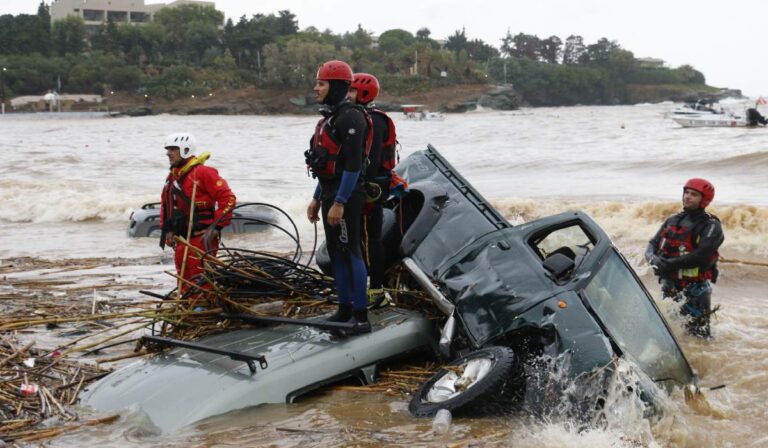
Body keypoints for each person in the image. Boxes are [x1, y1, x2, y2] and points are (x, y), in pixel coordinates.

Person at [305, 60, 373, 331]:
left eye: (321, 83)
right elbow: (326, 167)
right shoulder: (329, 119)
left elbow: (353, 166)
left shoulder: (351, 117)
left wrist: (340, 203)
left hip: (348, 196)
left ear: (335, 86)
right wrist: (317, 198)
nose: (316, 88)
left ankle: (361, 314)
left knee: (351, 251)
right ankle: (344, 309)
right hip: (331, 194)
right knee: (336, 252)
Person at [159, 133, 236, 303]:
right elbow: (166, 206)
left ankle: (203, 308)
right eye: (168, 149)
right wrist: (167, 231)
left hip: (201, 238)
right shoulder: (172, 177)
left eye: (173, 149)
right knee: (183, 278)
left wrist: (216, 226)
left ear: (186, 150)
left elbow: (228, 199)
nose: (168, 153)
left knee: (201, 279)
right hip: (182, 239)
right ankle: (187, 305)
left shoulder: (203, 173)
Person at [645, 178, 724, 338]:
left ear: (704, 200)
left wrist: (668, 264)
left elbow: (701, 256)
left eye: (694, 194)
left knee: (699, 338)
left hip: (696, 290)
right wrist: (653, 259)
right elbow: (652, 244)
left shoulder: (711, 225)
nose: (687, 196)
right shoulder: (673, 220)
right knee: (670, 334)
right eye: (686, 192)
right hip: (669, 286)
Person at [348, 72, 398, 308]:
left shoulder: (374, 120)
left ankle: (376, 291)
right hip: (369, 186)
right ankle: (367, 287)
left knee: (371, 239)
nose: (348, 95)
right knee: (364, 239)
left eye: (352, 91)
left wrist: (357, 185)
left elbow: (372, 158)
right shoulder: (363, 116)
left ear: (364, 93)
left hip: (372, 189)